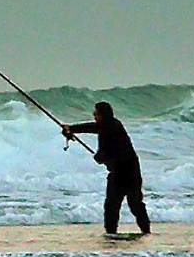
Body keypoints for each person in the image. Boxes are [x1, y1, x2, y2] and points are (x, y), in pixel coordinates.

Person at [62, 101, 150, 236]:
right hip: (123, 171)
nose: (94, 116)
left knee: (127, 204)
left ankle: (125, 232)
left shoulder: (111, 127)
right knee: (117, 205)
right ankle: (118, 233)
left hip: (127, 172)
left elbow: (105, 150)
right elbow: (93, 128)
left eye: (95, 113)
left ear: (103, 115)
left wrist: (100, 157)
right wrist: (72, 128)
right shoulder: (110, 125)